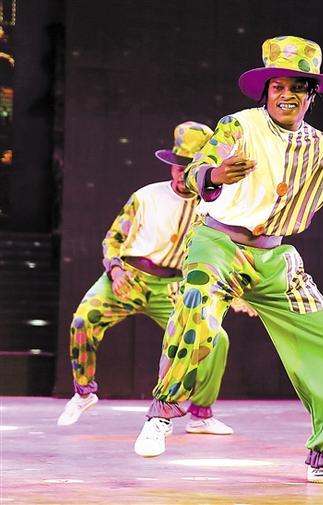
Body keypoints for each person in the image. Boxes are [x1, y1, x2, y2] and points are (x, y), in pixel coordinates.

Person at [133, 35, 323, 486]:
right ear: (266, 92)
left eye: (298, 87)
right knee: (198, 313)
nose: (287, 94)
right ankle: (162, 413)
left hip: (275, 258)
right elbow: (191, 175)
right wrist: (214, 173)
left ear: (312, 95)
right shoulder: (237, 126)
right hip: (219, 244)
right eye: (278, 86)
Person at [57, 122, 235, 436]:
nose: (181, 174)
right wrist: (115, 270)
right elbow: (113, 239)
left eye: (189, 168)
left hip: (173, 288)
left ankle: (201, 414)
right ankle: (84, 392)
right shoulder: (146, 196)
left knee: (216, 339)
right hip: (128, 278)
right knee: (83, 321)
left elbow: (226, 253)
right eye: (178, 167)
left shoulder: (215, 208)